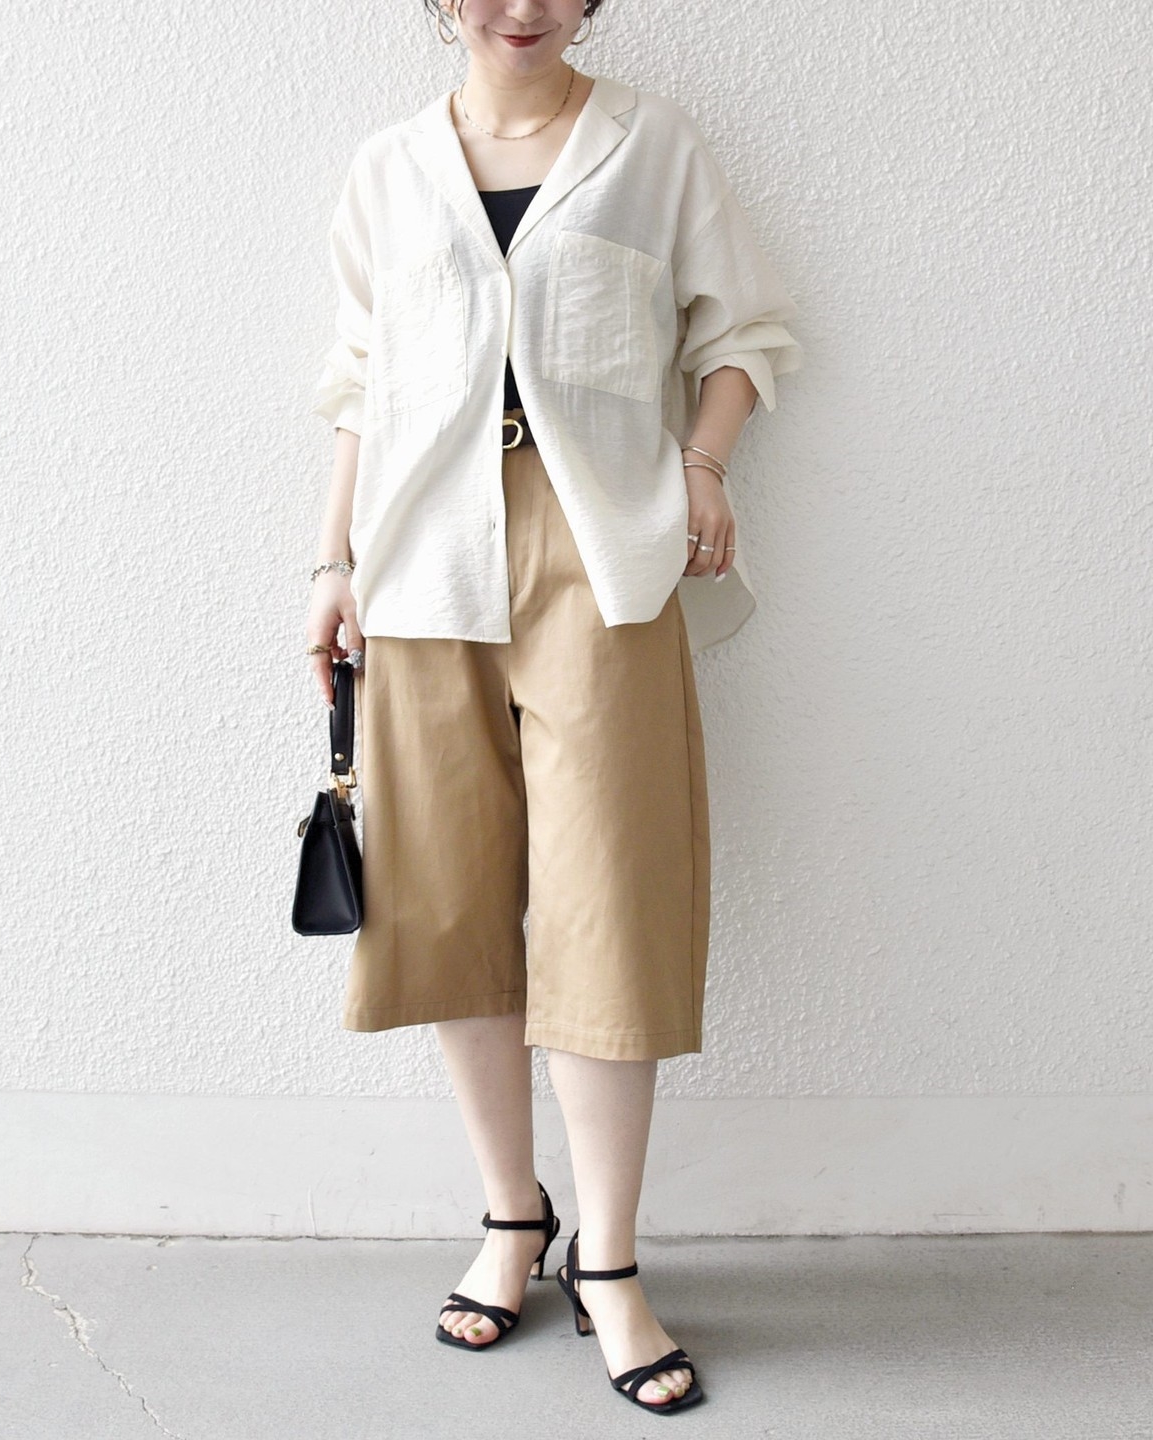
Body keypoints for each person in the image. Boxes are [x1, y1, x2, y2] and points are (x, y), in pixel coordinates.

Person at [305, 0, 802, 1414]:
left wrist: (704, 466)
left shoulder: (654, 147)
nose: (521, 6)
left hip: (604, 552)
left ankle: (614, 1262)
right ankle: (510, 1217)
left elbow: (745, 332)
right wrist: (331, 567)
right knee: (450, 895)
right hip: (421, 562)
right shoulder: (390, 168)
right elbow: (359, 382)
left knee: (609, 904)